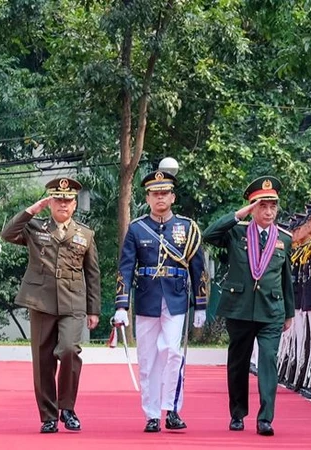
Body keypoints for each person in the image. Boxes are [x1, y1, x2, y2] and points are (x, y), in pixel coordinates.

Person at [1, 177, 100, 433]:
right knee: (43, 359)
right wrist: (32, 210)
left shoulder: (85, 234)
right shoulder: (35, 227)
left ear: (75, 204)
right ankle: (48, 415)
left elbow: (92, 274)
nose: (63, 205)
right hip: (41, 300)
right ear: (50, 202)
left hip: (72, 301)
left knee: (68, 350)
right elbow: (7, 233)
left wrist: (94, 309)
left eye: (67, 201)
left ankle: (67, 407)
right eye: (58, 200)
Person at [114, 169, 207, 433]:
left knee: (173, 352)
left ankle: (173, 409)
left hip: (176, 297)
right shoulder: (137, 228)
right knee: (148, 358)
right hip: (147, 297)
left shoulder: (187, 228)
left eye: (164, 193)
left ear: (173, 197)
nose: (160, 198)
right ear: (148, 198)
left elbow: (198, 269)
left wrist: (200, 304)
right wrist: (122, 305)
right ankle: (152, 414)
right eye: (155, 194)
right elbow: (125, 268)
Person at [203, 176, 295, 436]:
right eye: (262, 206)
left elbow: (286, 277)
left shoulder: (284, 239)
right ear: (252, 207)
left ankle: (265, 418)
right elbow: (210, 234)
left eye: (272, 207)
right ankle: (237, 413)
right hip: (239, 308)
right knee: (238, 363)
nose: (268, 212)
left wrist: (289, 312)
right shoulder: (237, 231)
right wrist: (239, 214)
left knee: (268, 359)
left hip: (271, 310)